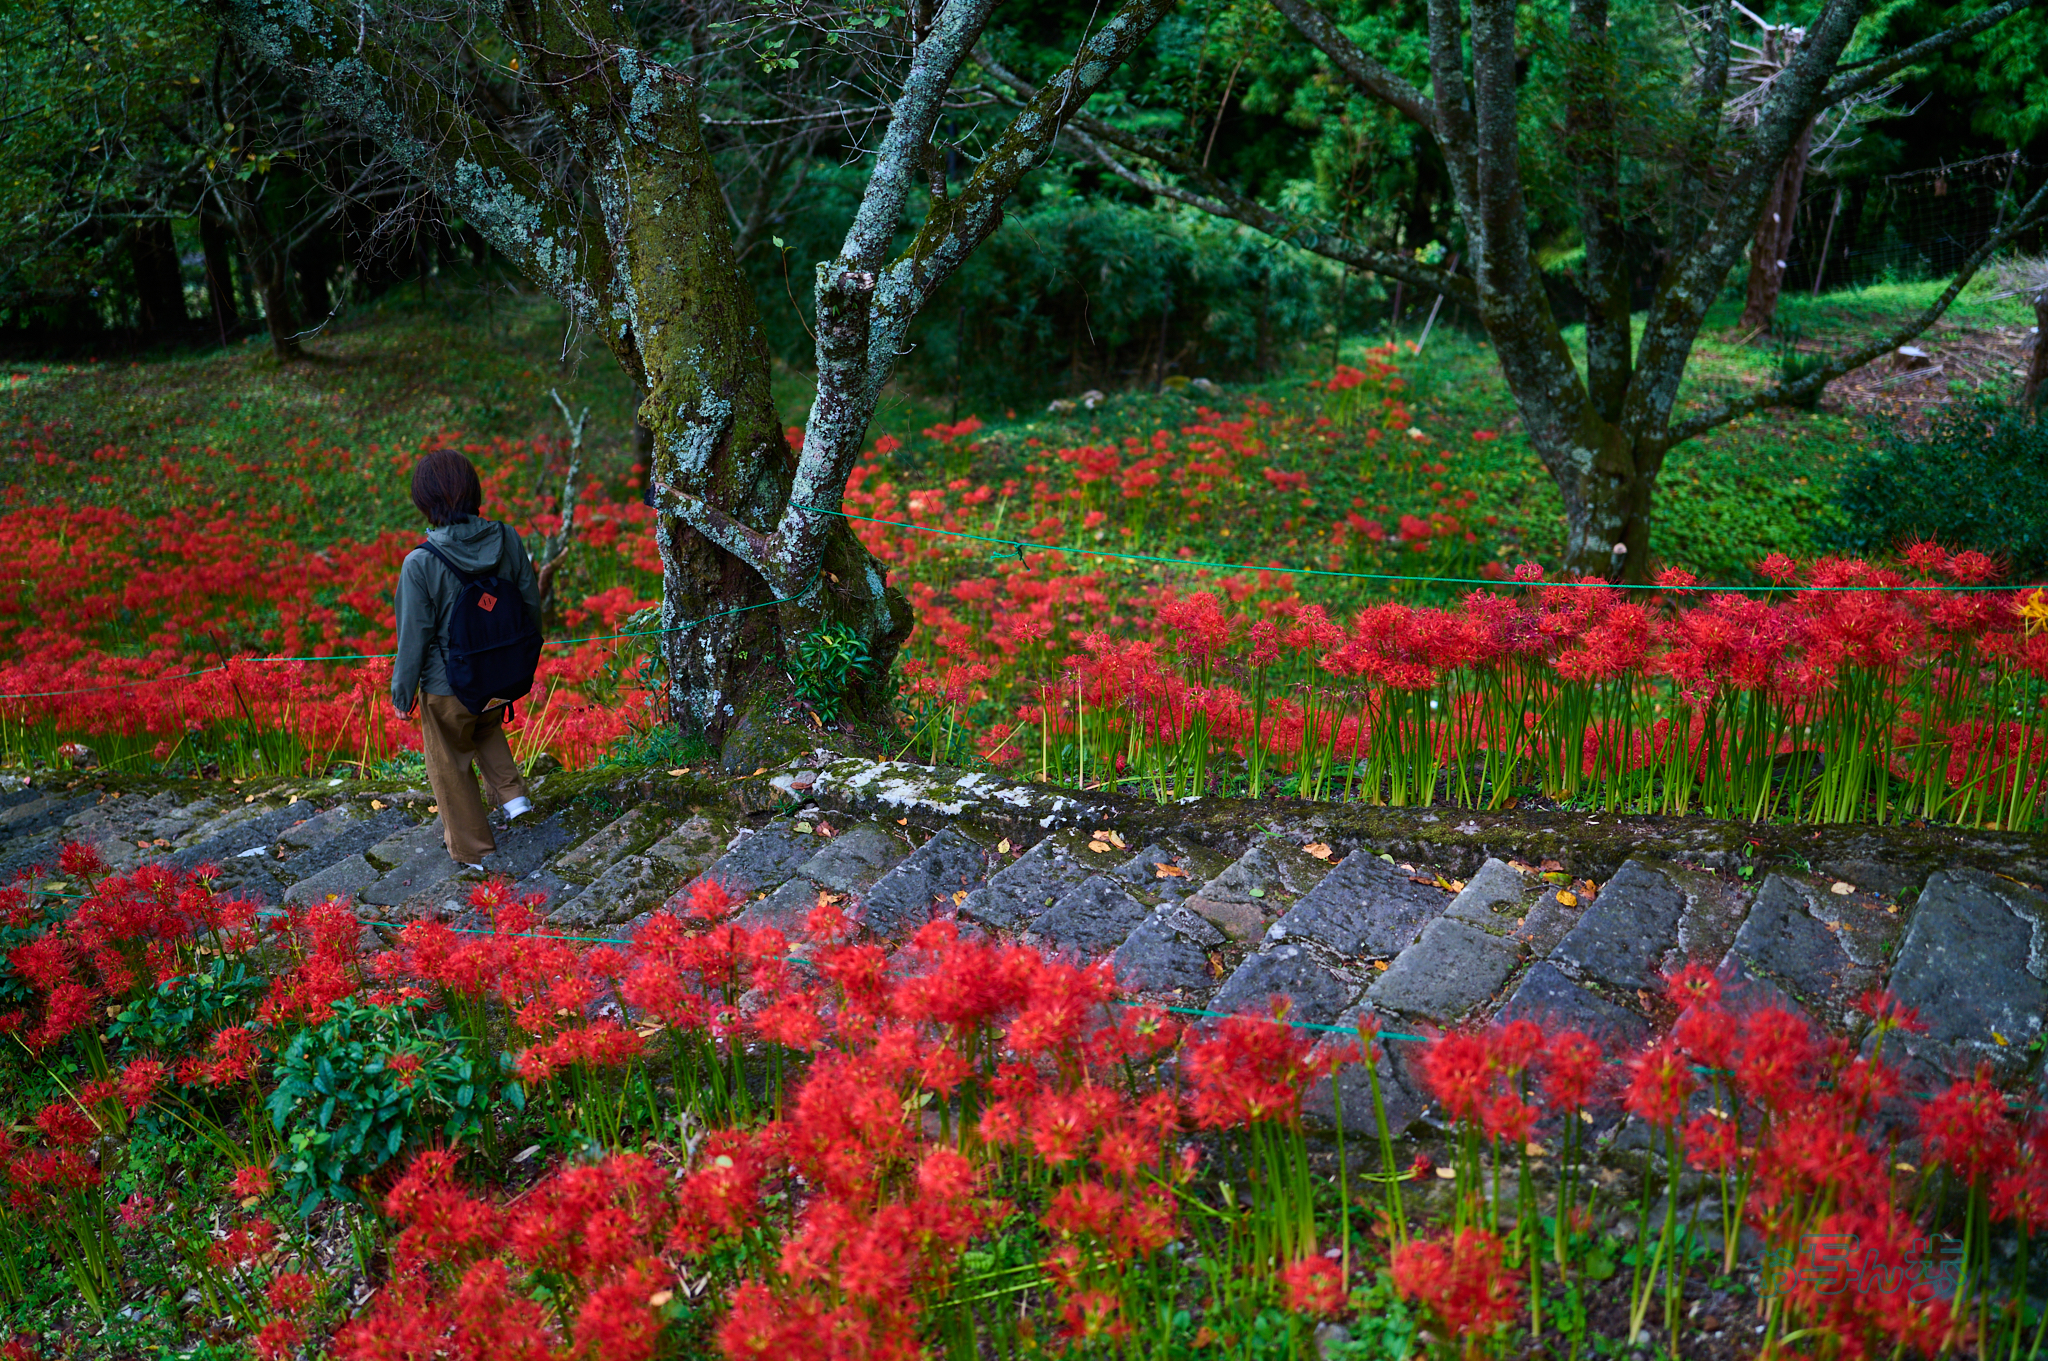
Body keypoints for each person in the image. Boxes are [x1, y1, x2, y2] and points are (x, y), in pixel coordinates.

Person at [391, 449, 540, 870]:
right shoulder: (508, 538)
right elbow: (530, 602)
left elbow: (413, 639)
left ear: (425, 500)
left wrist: (403, 695)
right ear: (474, 491)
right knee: (487, 722)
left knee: (449, 763)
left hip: (449, 686)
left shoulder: (420, 563)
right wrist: (525, 656)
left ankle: (474, 853)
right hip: (502, 674)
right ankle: (514, 798)